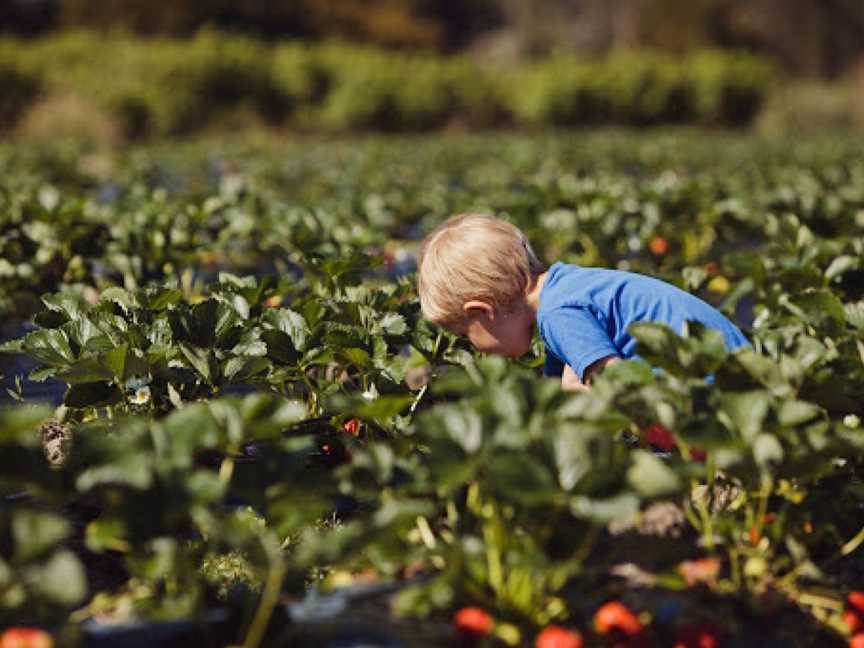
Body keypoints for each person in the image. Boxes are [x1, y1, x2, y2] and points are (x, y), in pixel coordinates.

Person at [416, 213, 750, 392]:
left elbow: (619, 386)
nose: (473, 349)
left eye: (465, 336)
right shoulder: (567, 286)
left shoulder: (559, 314)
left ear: (483, 311)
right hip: (736, 372)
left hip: (718, 396)